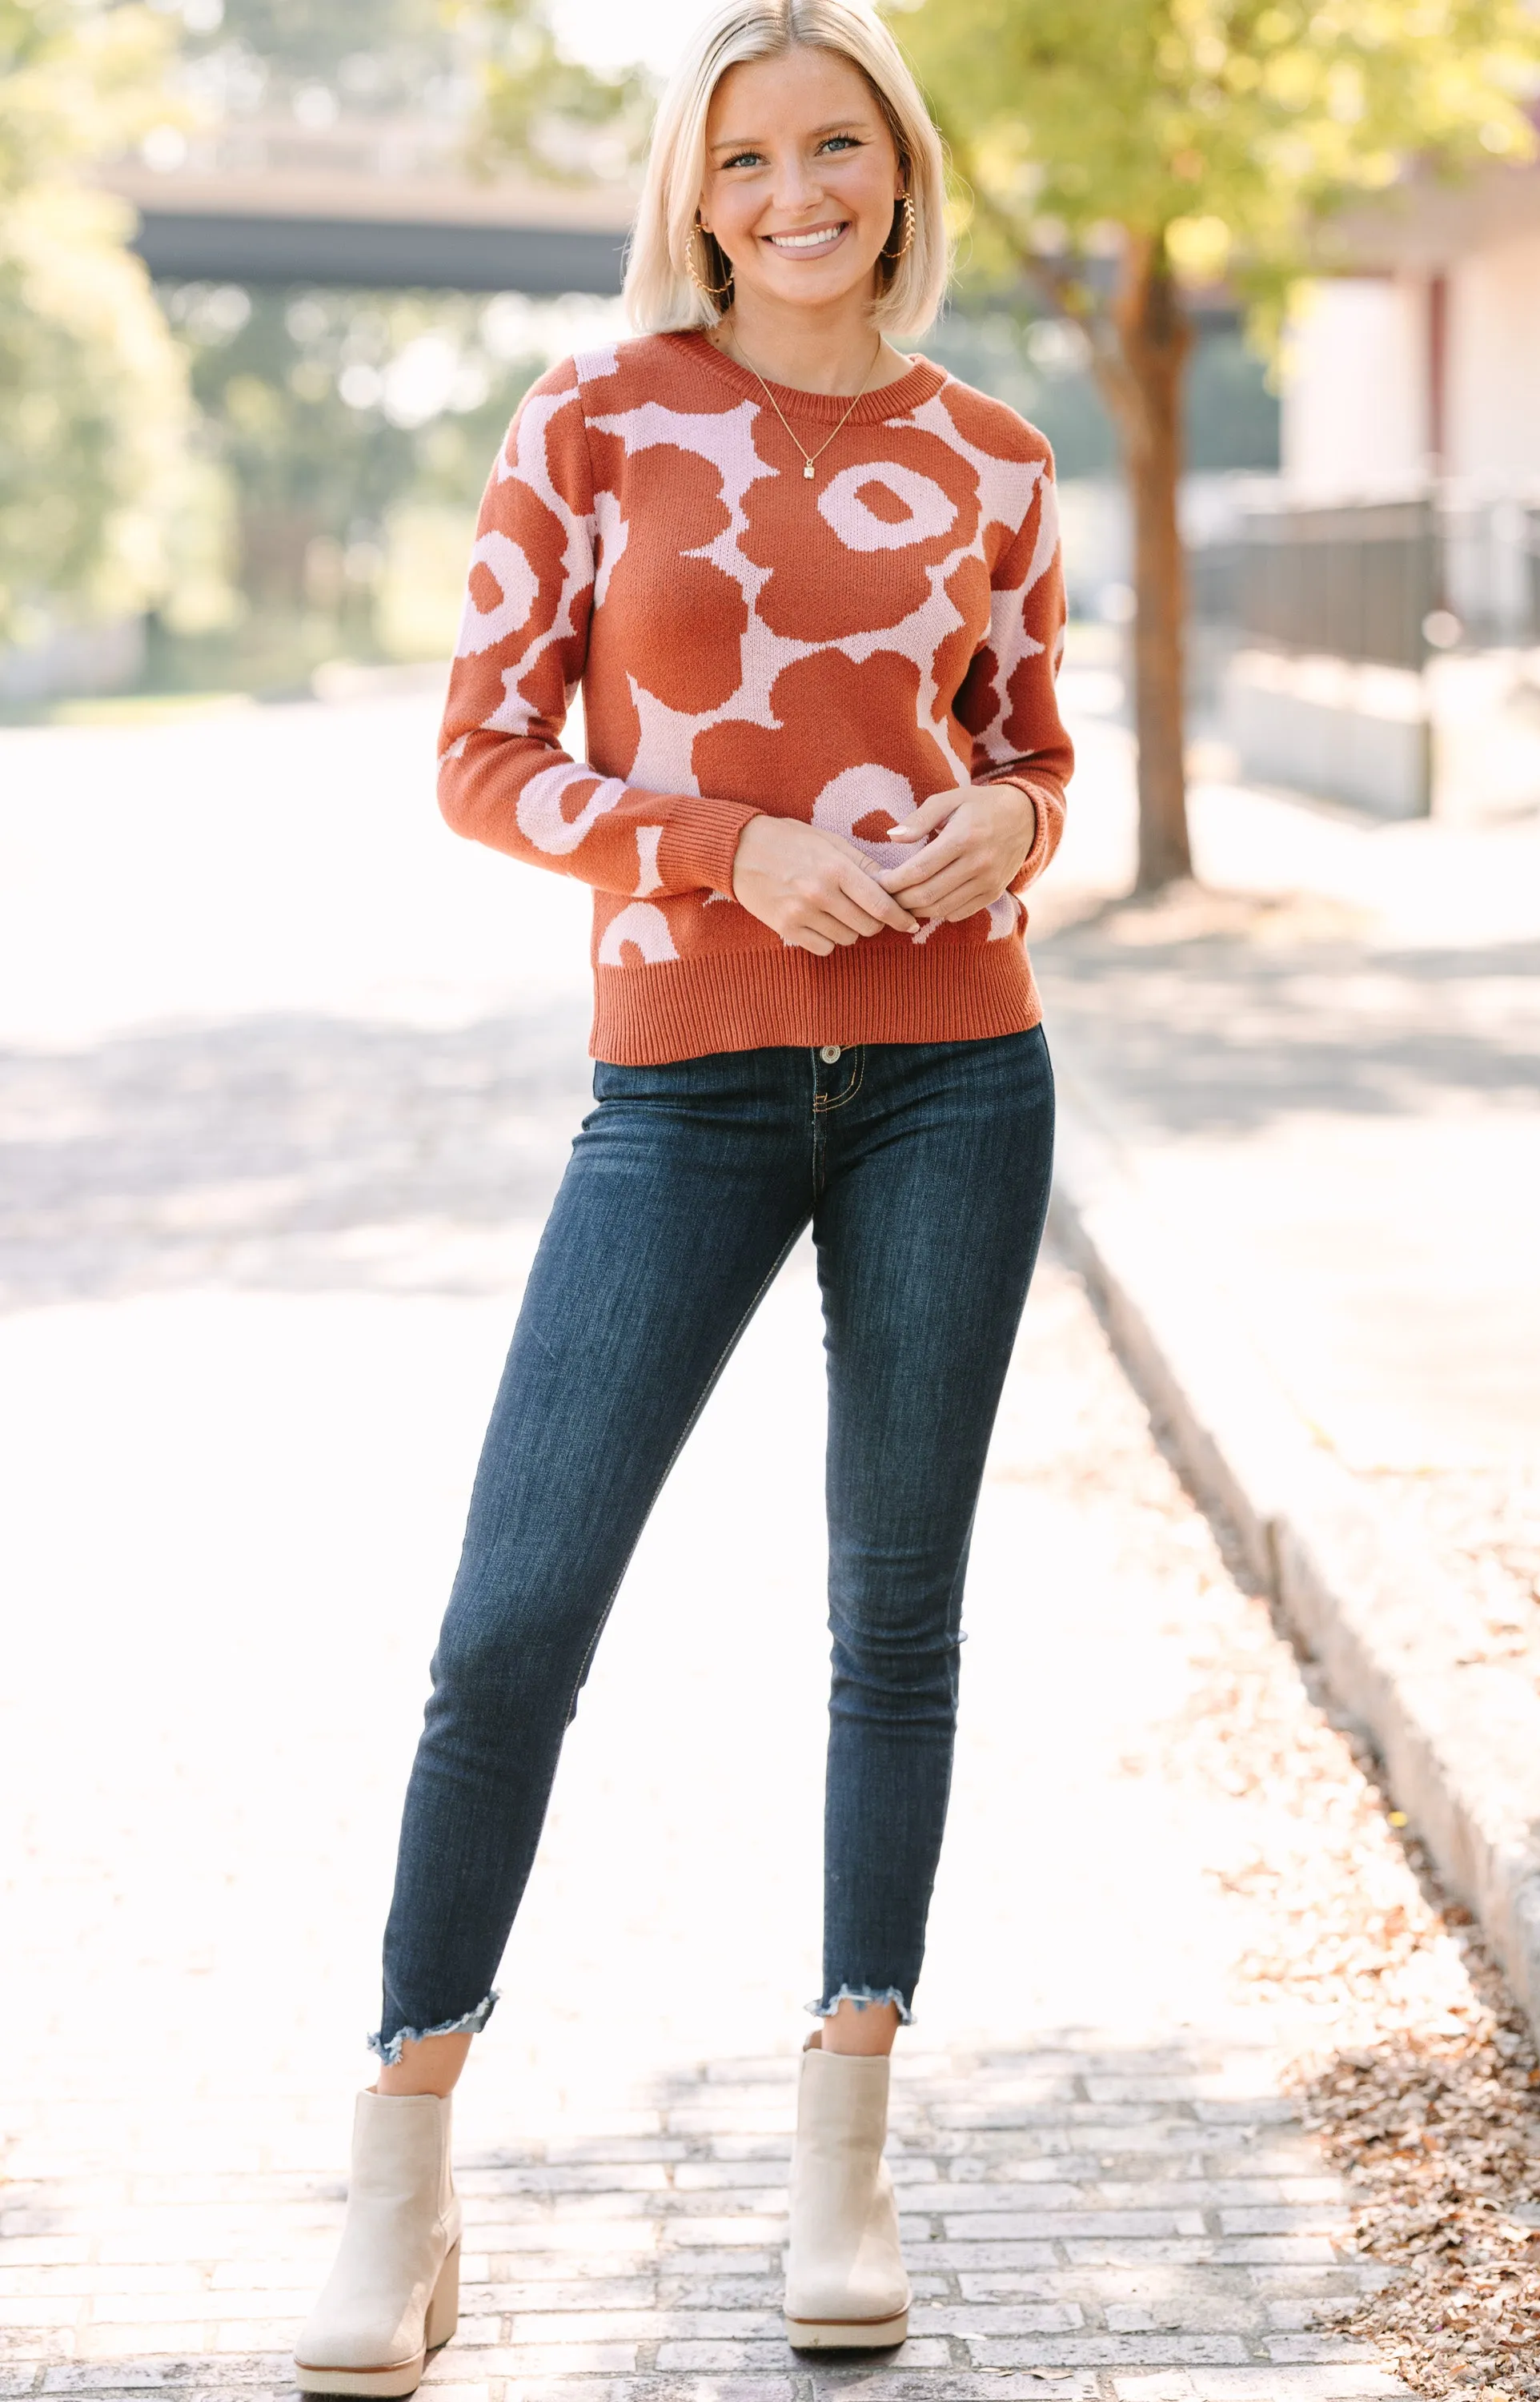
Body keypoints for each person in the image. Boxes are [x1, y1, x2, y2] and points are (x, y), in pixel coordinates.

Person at [294, 0, 1072, 2388]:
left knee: (895, 1622)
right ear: (699, 191)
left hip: (959, 1076)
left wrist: (1006, 826)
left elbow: (1036, 746)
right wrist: (724, 841)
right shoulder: (597, 421)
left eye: (841, 146)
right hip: (685, 1085)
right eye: (752, 158)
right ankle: (400, 2182)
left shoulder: (997, 459)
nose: (799, 191)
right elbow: (480, 760)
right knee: (511, 1620)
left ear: (901, 173)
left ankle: (845, 2154)